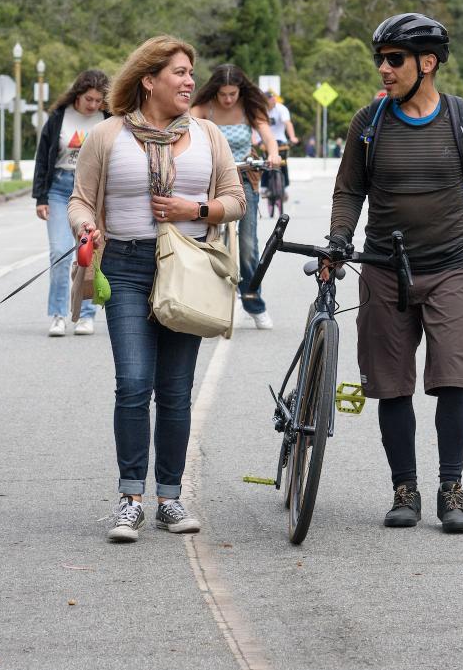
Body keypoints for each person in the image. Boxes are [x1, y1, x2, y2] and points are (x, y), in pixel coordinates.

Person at [327, 13, 463, 533]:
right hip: (384, 271)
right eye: (380, 60)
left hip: (449, 268)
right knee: (391, 386)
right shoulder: (369, 122)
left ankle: (451, 488)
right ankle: (403, 488)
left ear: (427, 63)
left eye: (395, 60)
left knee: (454, 380)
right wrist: (340, 238)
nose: (383, 70)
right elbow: (349, 190)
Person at [68, 36, 246, 543]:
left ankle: (169, 496)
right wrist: (86, 230)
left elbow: (236, 199)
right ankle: (129, 500)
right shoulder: (107, 136)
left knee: (174, 391)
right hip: (124, 266)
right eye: (179, 73)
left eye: (191, 73)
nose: (190, 81)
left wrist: (197, 211)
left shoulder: (209, 135)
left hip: (187, 268)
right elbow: (80, 201)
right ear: (149, 80)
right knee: (133, 382)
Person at [189, 64, 280, 329]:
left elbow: (267, 135)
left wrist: (272, 154)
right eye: (223, 94)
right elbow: (184, 127)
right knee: (205, 243)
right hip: (211, 182)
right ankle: (210, 303)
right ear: (215, 92)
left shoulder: (250, 109)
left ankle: (253, 301)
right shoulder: (204, 108)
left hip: (243, 179)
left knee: (248, 246)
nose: (228, 99)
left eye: (233, 94)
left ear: (240, 91)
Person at [32, 69, 110, 337]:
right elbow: (43, 158)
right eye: (89, 99)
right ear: (78, 95)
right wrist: (40, 197)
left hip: (93, 191)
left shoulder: (107, 119)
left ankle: (86, 314)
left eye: (99, 101)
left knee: (87, 253)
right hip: (60, 187)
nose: (93, 105)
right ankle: (58, 314)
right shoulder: (58, 118)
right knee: (59, 252)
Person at [265, 90, 299, 192]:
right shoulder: (261, 109)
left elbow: (287, 123)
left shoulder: (281, 109)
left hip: (279, 139)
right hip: (265, 139)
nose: (273, 100)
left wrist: (292, 137)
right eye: (271, 98)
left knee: (283, 163)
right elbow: (256, 127)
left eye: (274, 98)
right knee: (265, 163)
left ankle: (285, 186)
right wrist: (255, 139)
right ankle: (264, 185)